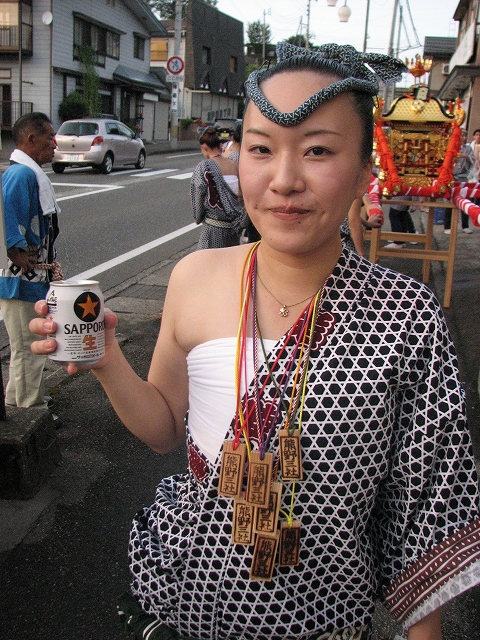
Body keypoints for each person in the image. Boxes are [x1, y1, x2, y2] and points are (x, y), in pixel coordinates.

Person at [30, 42, 480, 640]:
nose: (284, 179)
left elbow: (422, 513)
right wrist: (109, 362)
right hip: (193, 598)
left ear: (365, 175)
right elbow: (165, 426)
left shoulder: (407, 319)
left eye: (318, 150)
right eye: (261, 149)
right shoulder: (196, 277)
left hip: (324, 615)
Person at [0, 112, 60, 408]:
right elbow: (8, 216)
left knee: (25, 346)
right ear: (30, 139)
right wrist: (17, 250)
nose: (55, 143)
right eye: (50, 137)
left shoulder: (27, 172)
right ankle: (29, 408)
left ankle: (18, 398)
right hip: (20, 276)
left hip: (31, 275)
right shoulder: (20, 174)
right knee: (27, 347)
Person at [191, 127, 243, 249]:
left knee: (207, 264)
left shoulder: (203, 167)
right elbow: (242, 195)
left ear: (204, 147)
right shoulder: (234, 165)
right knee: (229, 264)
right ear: (220, 145)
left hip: (213, 228)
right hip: (233, 228)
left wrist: (197, 217)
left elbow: (198, 193)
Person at [444, 129, 474, 234]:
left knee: (465, 200)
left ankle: (465, 225)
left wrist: (466, 156)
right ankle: (447, 226)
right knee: (448, 201)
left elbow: (472, 162)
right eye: (460, 136)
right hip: (451, 176)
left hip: (462, 176)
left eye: (464, 136)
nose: (462, 138)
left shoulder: (468, 148)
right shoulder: (450, 146)